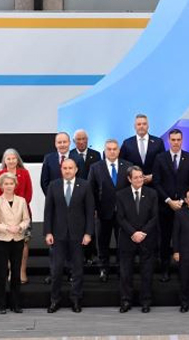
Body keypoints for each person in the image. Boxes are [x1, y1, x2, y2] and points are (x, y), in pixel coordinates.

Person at [44, 158, 95, 313]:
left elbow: (89, 212)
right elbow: (48, 212)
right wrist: (48, 232)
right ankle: (54, 300)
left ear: (76, 169)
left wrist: (88, 233)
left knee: (78, 270)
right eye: (64, 168)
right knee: (56, 270)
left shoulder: (85, 186)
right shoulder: (53, 185)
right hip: (58, 235)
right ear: (61, 169)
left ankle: (76, 300)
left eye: (70, 168)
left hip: (78, 235)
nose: (67, 170)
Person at [153, 128, 189, 282]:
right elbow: (157, 182)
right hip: (165, 207)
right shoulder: (160, 158)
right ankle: (165, 270)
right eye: (173, 140)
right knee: (164, 240)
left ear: (182, 140)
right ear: (169, 141)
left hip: (184, 207)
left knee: (185, 239)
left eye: (178, 139)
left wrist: (182, 201)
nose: (176, 142)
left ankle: (184, 270)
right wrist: (168, 201)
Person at [116, 166, 159, 313]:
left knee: (147, 273)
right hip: (128, 239)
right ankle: (126, 301)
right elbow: (120, 218)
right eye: (136, 177)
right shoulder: (121, 195)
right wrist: (133, 233)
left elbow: (154, 217)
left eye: (141, 177)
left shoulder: (152, 193)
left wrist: (143, 233)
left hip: (147, 239)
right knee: (126, 273)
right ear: (129, 179)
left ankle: (145, 302)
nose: (139, 180)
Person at [87, 139, 131, 282]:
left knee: (122, 243)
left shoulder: (128, 166)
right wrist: (93, 209)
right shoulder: (95, 167)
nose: (112, 151)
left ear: (118, 151)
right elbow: (90, 190)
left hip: (123, 214)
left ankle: (120, 269)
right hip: (102, 212)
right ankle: (103, 269)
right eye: (109, 149)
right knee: (102, 242)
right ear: (104, 151)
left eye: (114, 149)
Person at [0, 173, 30, 314]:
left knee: (16, 273)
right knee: (1, 273)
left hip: (18, 240)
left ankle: (16, 304)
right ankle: (1, 305)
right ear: (1, 185)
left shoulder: (21, 201)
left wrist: (20, 227)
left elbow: (26, 219)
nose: (9, 186)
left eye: (11, 183)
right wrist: (7, 228)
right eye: (6, 184)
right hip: (1, 240)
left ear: (15, 185)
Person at [0, 149, 33, 284]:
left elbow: (28, 194)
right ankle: (11, 271)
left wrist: (18, 210)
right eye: (8, 158)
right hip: (3, 216)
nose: (11, 161)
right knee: (7, 243)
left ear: (18, 159)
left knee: (24, 243)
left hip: (22, 213)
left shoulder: (25, 173)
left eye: (14, 158)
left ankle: (21, 271)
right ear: (4, 160)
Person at [70, 129, 101, 266]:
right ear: (74, 141)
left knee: (90, 227)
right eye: (79, 139)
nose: (82, 142)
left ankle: (91, 254)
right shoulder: (70, 155)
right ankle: (79, 255)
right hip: (74, 198)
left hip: (91, 197)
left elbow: (99, 179)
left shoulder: (96, 155)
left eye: (84, 139)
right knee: (76, 227)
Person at [119, 114, 166, 185]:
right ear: (135, 126)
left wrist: (153, 176)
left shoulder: (158, 142)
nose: (141, 126)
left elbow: (163, 163)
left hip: (154, 184)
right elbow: (122, 163)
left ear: (148, 126)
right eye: (139, 124)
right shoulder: (127, 143)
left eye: (144, 124)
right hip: (133, 184)